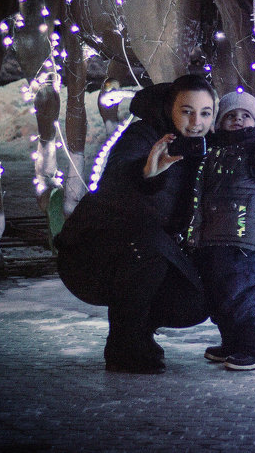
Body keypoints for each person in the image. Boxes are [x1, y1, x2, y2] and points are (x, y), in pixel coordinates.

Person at [54, 74, 216, 373]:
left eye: (205, 113)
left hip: (151, 252)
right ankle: (124, 344)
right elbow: (117, 174)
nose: (196, 122)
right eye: (186, 111)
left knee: (199, 296)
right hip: (93, 255)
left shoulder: (204, 146)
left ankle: (140, 329)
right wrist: (146, 173)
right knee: (148, 249)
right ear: (170, 108)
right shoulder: (144, 135)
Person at [186, 91, 255, 370]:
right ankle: (235, 343)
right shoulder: (209, 148)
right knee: (219, 294)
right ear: (218, 122)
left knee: (241, 292)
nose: (238, 120)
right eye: (230, 116)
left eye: (245, 115)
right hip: (212, 236)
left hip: (243, 234)